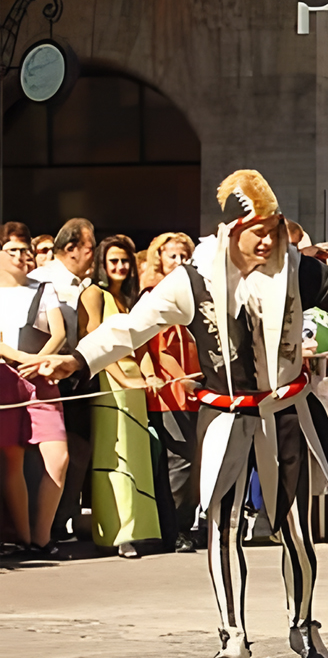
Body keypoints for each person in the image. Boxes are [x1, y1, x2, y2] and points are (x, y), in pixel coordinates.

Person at [29, 169, 328, 658]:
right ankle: (232, 635)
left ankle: (303, 623)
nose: (268, 242)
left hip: (286, 412)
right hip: (226, 416)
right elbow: (130, 326)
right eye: (258, 232)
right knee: (223, 527)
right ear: (230, 231)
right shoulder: (192, 281)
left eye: (274, 230)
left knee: (295, 530)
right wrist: (77, 359)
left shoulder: (297, 269)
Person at [78, 235, 161, 558]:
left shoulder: (130, 299)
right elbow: (91, 341)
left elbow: (141, 343)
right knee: (114, 458)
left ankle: (137, 530)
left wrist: (148, 375)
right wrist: (121, 379)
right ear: (102, 263)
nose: (120, 266)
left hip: (134, 384)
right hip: (109, 381)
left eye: (125, 260)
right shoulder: (93, 294)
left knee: (136, 458)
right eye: (113, 260)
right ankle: (115, 532)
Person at [0, 228, 69, 561]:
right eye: (11, 250)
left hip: (41, 378)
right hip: (5, 377)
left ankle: (42, 538)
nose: (20, 256)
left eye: (23, 250)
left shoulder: (43, 288)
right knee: (11, 459)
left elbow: (59, 333)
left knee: (59, 457)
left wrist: (40, 362)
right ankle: (25, 539)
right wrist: (24, 359)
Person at [30, 217, 96, 541]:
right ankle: (43, 525)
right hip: (42, 377)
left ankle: (60, 521)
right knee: (50, 455)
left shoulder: (83, 285)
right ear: (71, 248)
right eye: (90, 247)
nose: (93, 255)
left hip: (74, 377)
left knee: (80, 451)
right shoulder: (41, 281)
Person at [141, 233, 202, 552]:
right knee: (179, 463)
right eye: (172, 256)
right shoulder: (154, 296)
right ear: (159, 260)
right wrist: (182, 381)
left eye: (184, 256)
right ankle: (174, 530)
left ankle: (184, 526)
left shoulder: (194, 295)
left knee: (194, 461)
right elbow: (157, 348)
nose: (179, 262)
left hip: (197, 390)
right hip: (171, 392)